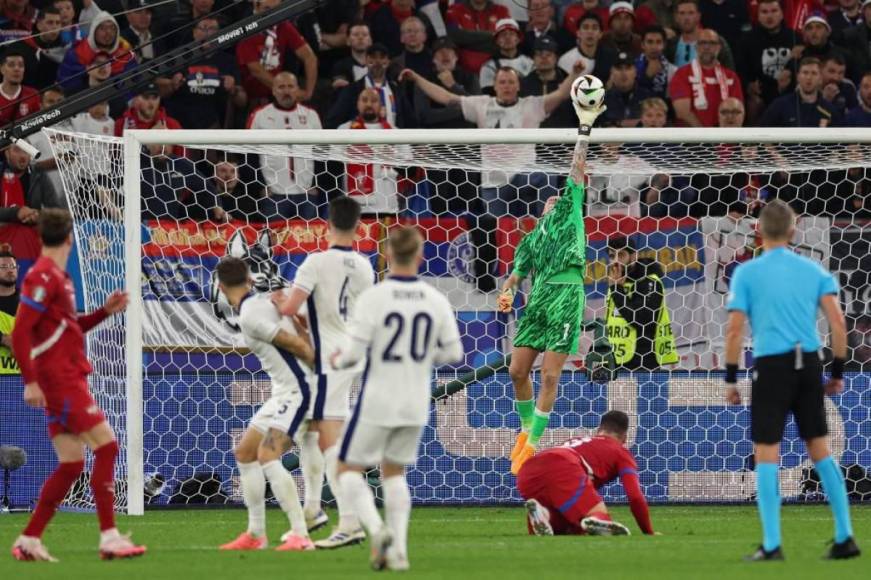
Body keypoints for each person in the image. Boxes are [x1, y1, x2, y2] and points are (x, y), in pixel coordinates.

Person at [724, 199, 860, 561]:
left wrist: (731, 379)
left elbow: (735, 331)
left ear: (758, 230)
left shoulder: (747, 273)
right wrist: (837, 372)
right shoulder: (812, 271)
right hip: (809, 364)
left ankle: (772, 544)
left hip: (772, 366)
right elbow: (838, 323)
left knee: (767, 451)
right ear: (793, 230)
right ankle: (845, 536)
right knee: (819, 449)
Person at [9, 209, 145, 562]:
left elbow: (66, 327)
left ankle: (29, 540)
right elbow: (20, 331)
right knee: (107, 447)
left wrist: (104, 312)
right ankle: (110, 537)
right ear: (71, 237)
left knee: (71, 465)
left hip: (66, 376)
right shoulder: (42, 276)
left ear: (40, 237)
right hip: (60, 380)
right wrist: (31, 381)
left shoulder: (59, 277)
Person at [334, 226, 463, 572]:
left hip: (378, 396)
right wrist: (419, 355)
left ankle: (376, 531)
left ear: (387, 254)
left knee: (346, 467)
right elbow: (453, 352)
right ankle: (400, 554)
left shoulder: (374, 299)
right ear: (420, 255)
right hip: (415, 400)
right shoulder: (435, 299)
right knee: (394, 474)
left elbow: (353, 354)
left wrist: (337, 359)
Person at [492, 88, 603, 475]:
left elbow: (576, 169)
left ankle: (534, 442)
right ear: (539, 209)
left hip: (567, 293)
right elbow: (514, 276)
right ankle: (526, 432)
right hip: (538, 297)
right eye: (547, 200)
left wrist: (584, 128)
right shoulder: (530, 239)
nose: (553, 200)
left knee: (550, 374)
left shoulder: (572, 212)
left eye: (557, 197)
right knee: (517, 371)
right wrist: (505, 294)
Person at [272, 196, 374, 549]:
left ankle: (348, 521)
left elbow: (289, 307)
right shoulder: (364, 266)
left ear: (327, 225)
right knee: (315, 433)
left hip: (328, 359)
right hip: (353, 354)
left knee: (328, 439)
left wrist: (275, 296)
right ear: (358, 227)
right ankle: (314, 507)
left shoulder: (314, 262)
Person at [215, 257, 317, 552]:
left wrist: (321, 372)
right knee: (246, 453)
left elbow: (298, 344)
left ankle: (300, 535)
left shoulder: (250, 316)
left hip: (299, 390)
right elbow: (302, 327)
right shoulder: (265, 302)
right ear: (249, 279)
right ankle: (256, 534)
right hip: (283, 392)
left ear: (220, 288)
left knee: (268, 454)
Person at [401, 63, 581, 217]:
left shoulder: (531, 106)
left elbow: (560, 94)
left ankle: (547, 226)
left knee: (546, 175)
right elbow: (447, 98)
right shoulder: (482, 105)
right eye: (502, 82)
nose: (507, 86)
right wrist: (417, 78)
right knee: (499, 236)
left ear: (518, 86)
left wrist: (575, 73)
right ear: (494, 86)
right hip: (493, 183)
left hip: (523, 177)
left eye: (511, 82)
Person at [517, 411, 655, 536]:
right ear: (625, 438)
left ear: (599, 430)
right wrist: (648, 532)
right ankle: (595, 519)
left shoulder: (576, 441)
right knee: (598, 515)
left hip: (528, 471)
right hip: (564, 466)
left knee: (571, 526)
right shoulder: (621, 452)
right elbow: (635, 497)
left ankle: (544, 514)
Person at [246, 72, 322, 220]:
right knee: (275, 238)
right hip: (274, 194)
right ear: (273, 90)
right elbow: (248, 154)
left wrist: (317, 183)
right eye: (281, 87)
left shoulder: (311, 115)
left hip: (306, 193)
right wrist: (261, 186)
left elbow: (322, 152)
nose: (286, 91)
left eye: (290, 86)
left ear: (297, 89)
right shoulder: (260, 115)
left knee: (308, 240)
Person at [605, 236, 678, 371]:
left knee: (650, 392)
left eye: (621, 255)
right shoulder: (616, 281)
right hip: (616, 359)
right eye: (611, 256)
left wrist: (617, 290)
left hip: (644, 361)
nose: (615, 261)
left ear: (634, 256)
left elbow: (641, 318)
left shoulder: (650, 281)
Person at [162, 17, 247, 131]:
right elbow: (160, 93)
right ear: (194, 32)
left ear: (219, 33)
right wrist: (172, 84)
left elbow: (242, 101)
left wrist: (233, 89)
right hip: (181, 123)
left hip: (215, 123)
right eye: (203, 28)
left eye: (212, 29)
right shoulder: (178, 58)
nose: (207, 34)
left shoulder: (229, 60)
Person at [336, 89, 410, 215]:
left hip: (388, 206)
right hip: (354, 208)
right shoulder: (344, 130)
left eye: (374, 101)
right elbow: (334, 165)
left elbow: (409, 167)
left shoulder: (395, 132)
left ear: (381, 105)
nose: (369, 104)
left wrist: (392, 159)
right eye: (364, 100)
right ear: (357, 104)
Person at [235, 0, 317, 105]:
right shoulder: (246, 30)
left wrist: (308, 92)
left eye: (276, 9)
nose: (272, 14)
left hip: (278, 95)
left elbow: (309, 57)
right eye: (267, 9)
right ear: (256, 6)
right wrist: (285, 91)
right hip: (252, 97)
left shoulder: (283, 25)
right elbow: (256, 70)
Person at [326, 43, 415, 129]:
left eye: (382, 57)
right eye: (373, 57)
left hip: (391, 142)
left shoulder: (396, 91)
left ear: (388, 62)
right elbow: (333, 120)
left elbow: (411, 122)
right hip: (361, 141)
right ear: (366, 60)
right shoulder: (353, 90)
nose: (377, 62)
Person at [669, 28, 743, 127]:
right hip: (690, 139)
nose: (707, 47)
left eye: (712, 43)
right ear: (696, 47)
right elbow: (683, 113)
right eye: (703, 43)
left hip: (723, 137)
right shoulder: (681, 74)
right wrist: (706, 137)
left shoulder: (731, 77)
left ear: (719, 47)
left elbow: (736, 111)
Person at [737, 0, 795, 120]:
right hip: (761, 95)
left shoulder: (794, 38)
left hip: (790, 93)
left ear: (782, 14)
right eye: (764, 12)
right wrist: (748, 86)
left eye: (774, 11)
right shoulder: (747, 40)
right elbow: (741, 71)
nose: (769, 16)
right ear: (758, 16)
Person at [57, 10, 137, 92]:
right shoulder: (75, 53)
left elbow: (134, 84)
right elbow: (65, 84)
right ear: (93, 31)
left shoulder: (126, 56)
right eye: (102, 28)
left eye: (112, 28)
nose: (108, 32)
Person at [760, 57, 840, 127]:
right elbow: (762, 134)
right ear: (798, 77)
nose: (809, 77)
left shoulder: (829, 110)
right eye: (805, 73)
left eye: (814, 73)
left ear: (820, 79)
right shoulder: (780, 105)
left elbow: (840, 141)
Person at [520, 35, 575, 128]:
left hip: (564, 137)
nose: (544, 58)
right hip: (532, 138)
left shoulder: (568, 83)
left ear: (556, 58)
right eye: (539, 54)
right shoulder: (523, 84)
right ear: (533, 58)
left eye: (548, 54)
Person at [445, 0, 511, 73]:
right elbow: (454, 36)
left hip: (497, 71)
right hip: (464, 72)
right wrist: (492, 35)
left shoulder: (501, 11)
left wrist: (466, 43)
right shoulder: (455, 9)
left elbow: (506, 40)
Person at [667, 0, 734, 70]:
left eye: (691, 13)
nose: (686, 18)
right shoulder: (670, 45)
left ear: (698, 16)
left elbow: (730, 74)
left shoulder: (716, 41)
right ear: (676, 17)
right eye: (682, 13)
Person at [479, 19, 534, 94]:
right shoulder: (488, 66)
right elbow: (488, 94)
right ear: (497, 41)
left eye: (511, 34)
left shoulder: (530, 62)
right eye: (503, 34)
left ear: (518, 39)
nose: (507, 37)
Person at [557, 13, 616, 81]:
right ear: (578, 33)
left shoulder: (610, 57)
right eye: (585, 27)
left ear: (600, 34)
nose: (590, 32)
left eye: (594, 28)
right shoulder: (566, 60)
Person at [602, 51, 654, 127]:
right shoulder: (601, 100)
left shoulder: (648, 97)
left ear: (635, 72)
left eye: (628, 68)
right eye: (619, 68)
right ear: (612, 72)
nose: (623, 73)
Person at [20, 6, 65, 89]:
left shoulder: (65, 47)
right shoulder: (23, 47)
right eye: (50, 23)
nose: (55, 27)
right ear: (39, 25)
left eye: (58, 23)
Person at [635, 25, 677, 100]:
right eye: (650, 42)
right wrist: (646, 77)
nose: (654, 47)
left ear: (664, 45)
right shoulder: (632, 67)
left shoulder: (673, 71)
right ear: (642, 45)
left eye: (658, 42)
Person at [0, 48, 40, 126]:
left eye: (21, 65)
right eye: (11, 65)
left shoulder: (33, 95)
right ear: (2, 69)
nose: (17, 69)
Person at [330, 21, 372, 90]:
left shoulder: (378, 65)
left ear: (370, 41)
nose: (360, 38)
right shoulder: (340, 67)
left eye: (364, 35)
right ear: (348, 41)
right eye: (355, 35)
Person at [0, 245, 19, 375]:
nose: (10, 270)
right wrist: (4, 339)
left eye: (12, 267)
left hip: (23, 379)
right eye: (3, 267)